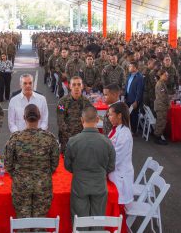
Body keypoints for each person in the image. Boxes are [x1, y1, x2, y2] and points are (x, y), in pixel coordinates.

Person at [4, 104, 59, 219]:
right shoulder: (49, 138)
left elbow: (8, 165)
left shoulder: (15, 138)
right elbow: (54, 164)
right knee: (40, 220)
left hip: (21, 185)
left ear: (24, 117)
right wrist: (43, 173)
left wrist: (18, 175)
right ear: (39, 117)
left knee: (23, 221)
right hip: (43, 184)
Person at [64, 106, 116, 223]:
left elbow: (68, 165)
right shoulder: (107, 142)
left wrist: (78, 171)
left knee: (80, 222)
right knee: (97, 221)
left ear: (81, 120)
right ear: (98, 119)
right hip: (99, 185)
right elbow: (111, 166)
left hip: (80, 185)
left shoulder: (73, 141)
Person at [107, 102, 134, 233]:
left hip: (119, 176)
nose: (108, 117)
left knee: (118, 208)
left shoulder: (124, 134)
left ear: (119, 115)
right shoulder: (117, 129)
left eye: (110, 115)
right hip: (115, 174)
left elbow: (116, 158)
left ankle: (118, 229)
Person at [57, 76, 91, 154]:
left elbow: (89, 122)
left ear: (82, 86)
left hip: (82, 139)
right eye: (74, 85)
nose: (76, 87)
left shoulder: (87, 102)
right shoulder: (62, 102)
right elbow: (60, 122)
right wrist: (70, 136)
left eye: (79, 84)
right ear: (70, 86)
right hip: (67, 140)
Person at [124, 61, 144, 133]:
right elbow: (127, 86)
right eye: (129, 66)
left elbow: (140, 91)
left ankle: (134, 131)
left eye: (130, 66)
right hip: (128, 98)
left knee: (134, 115)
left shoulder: (139, 77)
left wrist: (136, 101)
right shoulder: (129, 75)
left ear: (135, 68)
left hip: (134, 100)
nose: (129, 68)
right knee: (127, 114)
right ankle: (128, 129)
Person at [154, 69, 170, 145]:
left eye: (167, 75)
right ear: (161, 75)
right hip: (161, 106)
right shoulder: (160, 84)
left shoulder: (162, 83)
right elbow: (163, 97)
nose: (167, 76)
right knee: (161, 122)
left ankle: (158, 136)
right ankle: (157, 138)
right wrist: (168, 101)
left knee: (161, 121)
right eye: (165, 75)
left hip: (161, 106)